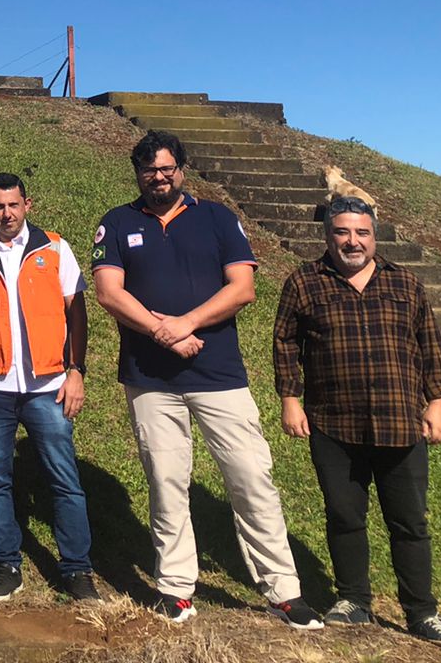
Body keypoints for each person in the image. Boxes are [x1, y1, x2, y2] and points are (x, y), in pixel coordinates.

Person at [91, 130, 321, 629]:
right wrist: (161, 332)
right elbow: (108, 292)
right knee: (166, 481)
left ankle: (284, 591)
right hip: (150, 377)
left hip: (218, 375)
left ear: (182, 169)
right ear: (138, 173)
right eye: (150, 170)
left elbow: (243, 289)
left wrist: (185, 325)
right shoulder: (118, 221)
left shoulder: (217, 218)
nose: (159, 177)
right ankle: (175, 588)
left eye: (168, 168)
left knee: (251, 478)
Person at [274, 196, 441, 649]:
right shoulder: (304, 282)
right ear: (328, 235)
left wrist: (437, 403)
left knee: (409, 522)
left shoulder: (406, 283)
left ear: (374, 236)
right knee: (344, 516)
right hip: (333, 423)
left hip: (400, 422)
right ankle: (353, 599)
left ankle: (422, 612)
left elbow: (430, 345)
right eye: (342, 232)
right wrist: (290, 399)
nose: (352, 241)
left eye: (361, 232)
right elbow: (284, 343)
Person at [0, 174, 98, 603]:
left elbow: (76, 309)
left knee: (64, 478)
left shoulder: (54, 247)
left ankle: (77, 569)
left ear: (27, 204)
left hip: (48, 384)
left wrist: (76, 370)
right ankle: (6, 564)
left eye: (13, 205)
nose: (6, 214)